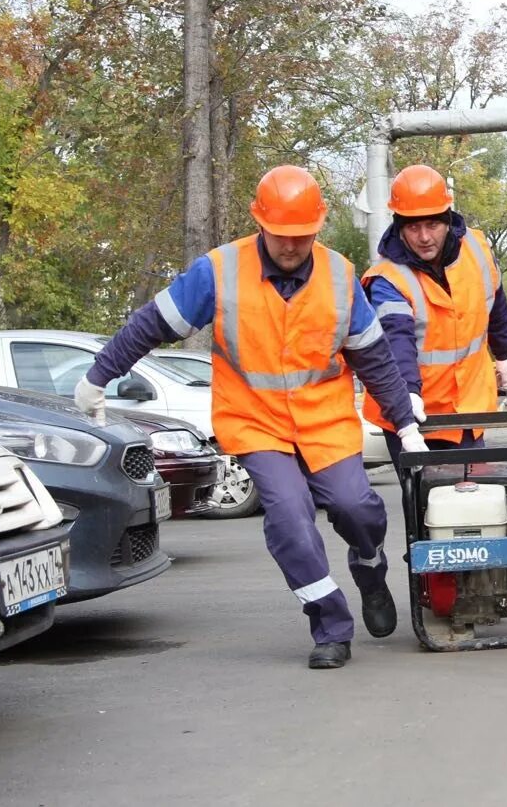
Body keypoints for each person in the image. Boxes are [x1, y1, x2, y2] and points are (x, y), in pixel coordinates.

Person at [73, 165, 427, 670]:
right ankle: (330, 623)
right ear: (260, 224)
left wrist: (407, 426)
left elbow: (373, 358)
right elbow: (151, 324)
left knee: (357, 508)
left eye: (302, 236)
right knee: (289, 518)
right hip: (256, 421)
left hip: (324, 420)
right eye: (281, 236)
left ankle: (370, 566)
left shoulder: (339, 276)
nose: (291, 246)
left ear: (317, 228)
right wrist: (98, 376)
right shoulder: (218, 271)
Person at [361, 164, 507, 461]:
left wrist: (504, 352)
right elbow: (396, 341)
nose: (423, 237)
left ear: (448, 219)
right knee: (426, 501)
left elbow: (495, 301)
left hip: (466, 407)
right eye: (413, 227)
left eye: (432, 225)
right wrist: (406, 396)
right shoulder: (387, 279)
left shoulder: (477, 249)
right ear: (399, 226)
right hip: (413, 412)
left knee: (472, 498)